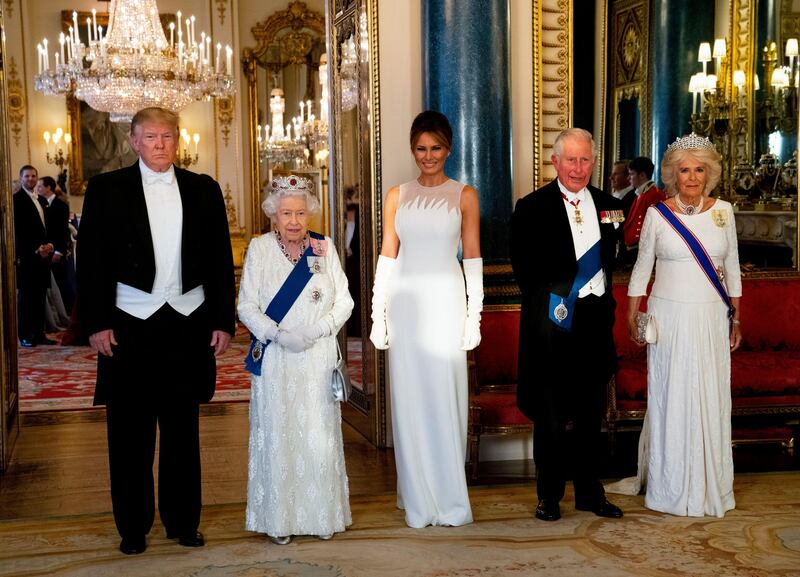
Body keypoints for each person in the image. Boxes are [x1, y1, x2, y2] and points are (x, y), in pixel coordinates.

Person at [77, 107, 236, 555]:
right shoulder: (106, 190)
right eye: (151, 137)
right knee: (129, 433)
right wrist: (96, 323)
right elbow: (89, 262)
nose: (161, 144)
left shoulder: (204, 189)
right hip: (130, 325)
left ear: (177, 139)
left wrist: (223, 320)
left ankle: (184, 521)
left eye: (167, 136)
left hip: (188, 322)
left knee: (183, 430)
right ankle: (132, 526)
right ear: (134, 141)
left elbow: (220, 261)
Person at [369, 110, 483, 528]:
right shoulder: (397, 194)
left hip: (448, 303)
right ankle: (417, 496)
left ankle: (450, 499)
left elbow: (472, 257)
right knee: (411, 400)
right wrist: (378, 313)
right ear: (412, 149)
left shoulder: (465, 195)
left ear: (448, 149)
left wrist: (474, 317)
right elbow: (387, 255)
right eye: (421, 148)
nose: (428, 156)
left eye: (435, 148)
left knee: (445, 398)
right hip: (407, 306)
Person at [619, 133, 742, 517]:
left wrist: (736, 316)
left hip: (710, 315)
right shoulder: (658, 214)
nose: (691, 177)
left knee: (709, 394)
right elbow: (643, 267)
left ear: (709, 173)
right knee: (672, 395)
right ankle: (670, 486)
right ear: (673, 174)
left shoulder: (725, 212)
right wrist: (631, 311)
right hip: (669, 316)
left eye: (699, 170)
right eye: (684, 170)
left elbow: (733, 269)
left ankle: (710, 485)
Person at [510, 127, 623, 522]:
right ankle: (549, 496)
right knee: (552, 414)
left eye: (585, 160)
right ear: (555, 161)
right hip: (554, 322)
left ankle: (591, 493)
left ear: (594, 162)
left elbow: (615, 261)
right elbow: (524, 271)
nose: (578, 168)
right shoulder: (531, 207)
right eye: (570, 159)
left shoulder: (610, 206)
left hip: (594, 323)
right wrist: (558, 301)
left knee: (591, 413)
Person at [238, 174, 353, 545]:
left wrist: (316, 332)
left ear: (310, 214)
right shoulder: (258, 249)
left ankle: (322, 516)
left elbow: (345, 302)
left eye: (300, 213)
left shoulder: (323, 248)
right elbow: (246, 307)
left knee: (318, 435)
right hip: (276, 360)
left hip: (316, 358)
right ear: (273, 214)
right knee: (279, 434)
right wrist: (278, 335)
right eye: (286, 213)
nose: (293, 221)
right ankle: (280, 520)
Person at [13, 165, 54, 347]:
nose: (30, 179)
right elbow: (18, 231)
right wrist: (35, 248)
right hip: (28, 256)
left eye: (33, 176)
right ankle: (25, 335)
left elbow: (48, 228)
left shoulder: (43, 201)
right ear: (21, 178)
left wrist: (50, 245)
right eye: (27, 176)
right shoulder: (16, 200)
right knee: (26, 299)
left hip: (43, 257)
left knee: (40, 297)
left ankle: (39, 333)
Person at [38, 176, 74, 321]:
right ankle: (54, 316)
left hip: (56, 250)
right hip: (44, 250)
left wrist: (59, 250)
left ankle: (67, 313)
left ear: (48, 188)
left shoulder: (61, 205)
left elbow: (62, 231)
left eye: (40, 186)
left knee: (61, 282)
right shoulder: (39, 203)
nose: (38, 188)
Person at [623, 156, 666, 250]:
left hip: (643, 249)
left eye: (631, 174)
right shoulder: (641, 194)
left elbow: (656, 227)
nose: (628, 178)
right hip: (634, 249)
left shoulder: (654, 194)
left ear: (642, 175)